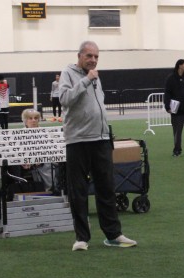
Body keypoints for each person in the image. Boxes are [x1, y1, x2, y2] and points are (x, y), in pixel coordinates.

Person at [59, 40, 137, 250]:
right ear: (79, 56)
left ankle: (113, 235)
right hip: (78, 141)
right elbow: (64, 99)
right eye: (89, 56)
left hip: (101, 139)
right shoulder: (69, 73)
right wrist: (86, 80)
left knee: (106, 188)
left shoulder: (95, 76)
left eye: (96, 57)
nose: (93, 60)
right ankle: (81, 238)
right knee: (78, 190)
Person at [5, 109, 56, 200]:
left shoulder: (46, 133)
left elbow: (50, 150)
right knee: (12, 164)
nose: (33, 120)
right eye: (30, 118)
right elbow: (15, 150)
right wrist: (23, 160)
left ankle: (50, 190)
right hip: (24, 162)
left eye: (36, 118)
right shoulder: (19, 134)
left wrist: (37, 159)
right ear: (25, 120)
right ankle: (18, 190)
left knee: (49, 163)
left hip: (42, 161)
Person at [163, 59, 184, 157]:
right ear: (180, 66)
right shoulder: (171, 78)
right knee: (177, 132)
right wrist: (167, 106)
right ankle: (177, 150)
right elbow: (167, 93)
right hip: (177, 111)